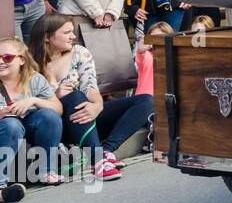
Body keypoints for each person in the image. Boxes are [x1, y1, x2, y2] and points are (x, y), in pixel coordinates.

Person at [29, 13, 151, 180]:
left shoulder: (79, 53)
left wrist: (97, 105)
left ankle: (107, 150)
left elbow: (90, 85)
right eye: (66, 32)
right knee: (75, 96)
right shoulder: (30, 63)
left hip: (84, 119)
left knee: (146, 100)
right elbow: (29, 104)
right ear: (47, 37)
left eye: (72, 31)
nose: (73, 36)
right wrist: (55, 97)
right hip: (57, 126)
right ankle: (97, 160)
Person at [0, 36, 63, 201]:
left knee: (49, 116)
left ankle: (46, 171)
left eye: (7, 57)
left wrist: (33, 100)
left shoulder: (33, 79)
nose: (1, 61)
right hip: (5, 129)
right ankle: (0, 184)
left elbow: (58, 108)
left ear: (21, 59)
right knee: (11, 124)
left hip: (28, 125)